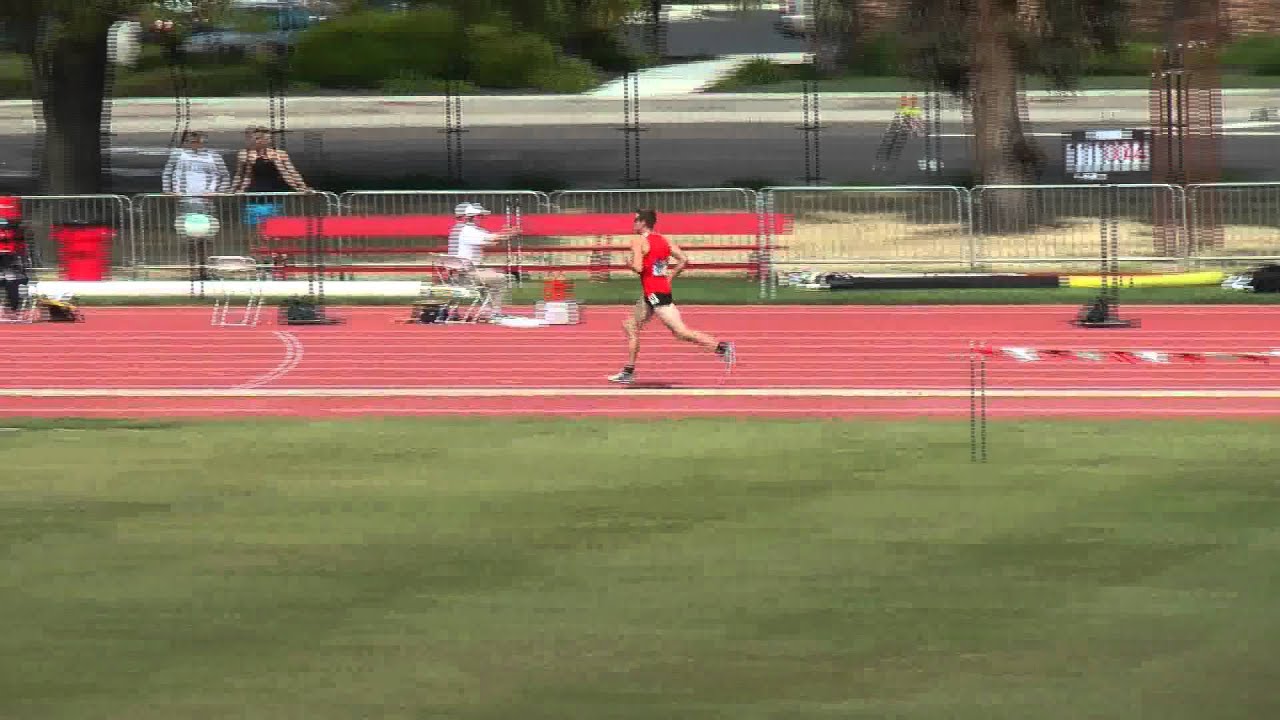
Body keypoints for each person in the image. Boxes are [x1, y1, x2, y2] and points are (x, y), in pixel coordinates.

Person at [608, 209, 735, 385]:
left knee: (681, 332)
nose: (633, 223)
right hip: (655, 293)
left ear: (644, 222)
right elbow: (684, 259)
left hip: (655, 295)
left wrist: (629, 264)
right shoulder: (664, 239)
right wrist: (669, 277)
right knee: (630, 325)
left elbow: (638, 268)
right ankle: (628, 371)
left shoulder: (638, 241)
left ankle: (722, 348)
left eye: (636, 220)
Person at [447, 203, 517, 320]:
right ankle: (494, 312)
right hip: (466, 274)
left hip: (465, 272)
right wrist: (508, 233)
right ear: (473, 217)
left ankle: (488, 310)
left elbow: (492, 241)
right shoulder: (468, 231)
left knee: (491, 277)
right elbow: (492, 239)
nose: (482, 218)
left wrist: (505, 234)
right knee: (500, 279)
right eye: (480, 216)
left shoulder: (469, 230)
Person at [231, 126, 312, 194]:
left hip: (277, 190)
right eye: (255, 138)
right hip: (256, 190)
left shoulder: (278, 154)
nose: (255, 141)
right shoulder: (247, 155)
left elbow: (289, 172)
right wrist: (238, 190)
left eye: (269, 139)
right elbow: (245, 176)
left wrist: (300, 187)